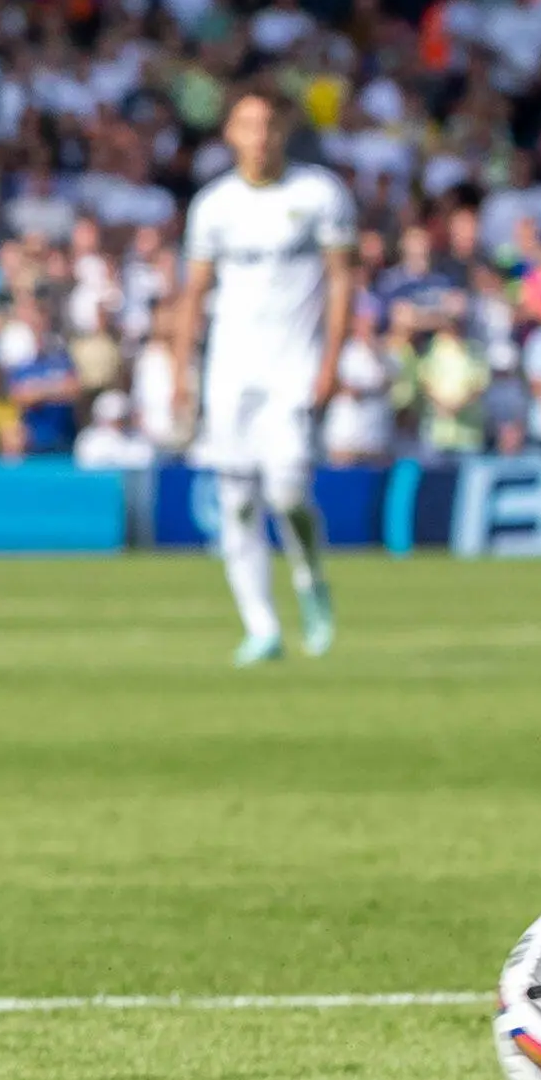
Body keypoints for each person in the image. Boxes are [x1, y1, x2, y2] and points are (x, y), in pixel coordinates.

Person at [172, 85, 355, 665]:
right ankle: (262, 626)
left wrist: (331, 360)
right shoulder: (214, 205)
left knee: (288, 489)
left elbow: (342, 280)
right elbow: (193, 292)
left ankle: (310, 580)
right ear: (230, 132)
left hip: (294, 367)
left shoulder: (320, 193)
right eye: (248, 126)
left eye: (269, 126)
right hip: (231, 371)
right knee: (238, 501)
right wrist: (181, 367)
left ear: (284, 131)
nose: (259, 137)